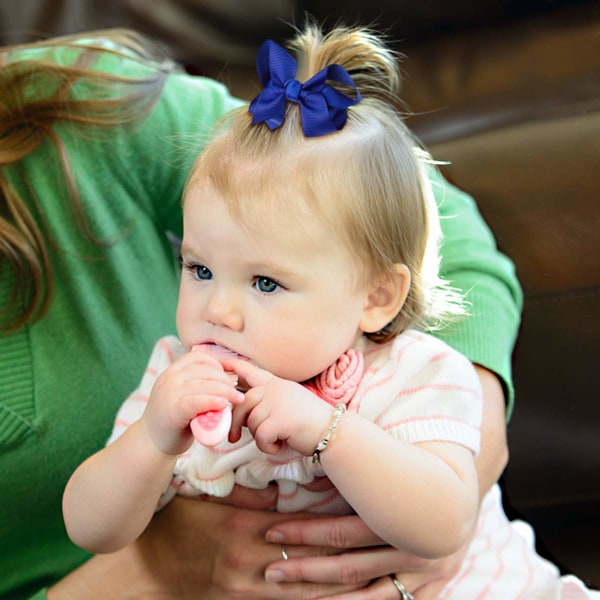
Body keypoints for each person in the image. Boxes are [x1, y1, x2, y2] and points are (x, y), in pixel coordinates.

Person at [62, 24, 592, 599]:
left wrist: (328, 433)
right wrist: (151, 441)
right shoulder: (175, 378)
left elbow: (444, 524)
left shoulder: (414, 372)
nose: (218, 310)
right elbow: (92, 529)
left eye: (265, 282)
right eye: (200, 269)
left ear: (376, 297)